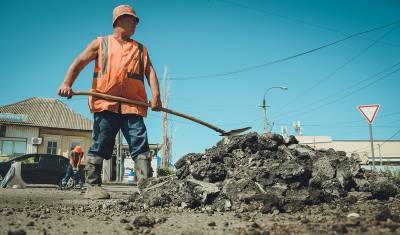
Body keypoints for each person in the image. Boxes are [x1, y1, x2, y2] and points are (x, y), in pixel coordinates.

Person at [58, 4, 161, 200]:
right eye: (133, 20)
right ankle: (93, 186)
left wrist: (156, 96)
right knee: (102, 141)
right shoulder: (101, 43)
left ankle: (146, 186)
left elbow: (150, 72)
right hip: (106, 104)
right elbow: (79, 62)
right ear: (120, 20)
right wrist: (66, 83)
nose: (136, 24)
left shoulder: (140, 49)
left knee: (140, 143)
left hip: (133, 106)